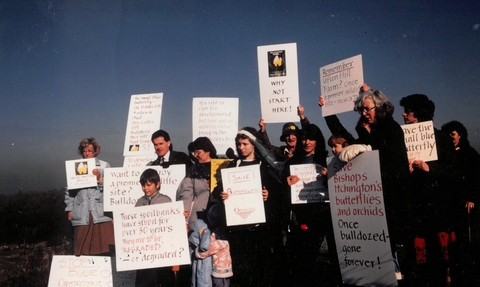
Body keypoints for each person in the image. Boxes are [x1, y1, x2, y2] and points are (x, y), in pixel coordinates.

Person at [337, 84, 411, 282]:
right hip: (377, 200)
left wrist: (368, 148)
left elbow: (392, 159)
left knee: (389, 250)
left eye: (367, 108)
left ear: (379, 107)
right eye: (361, 109)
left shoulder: (391, 128)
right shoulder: (376, 129)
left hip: (391, 200)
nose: (364, 113)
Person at [399, 94, 458, 286]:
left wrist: (429, 168)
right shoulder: (402, 139)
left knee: (439, 257)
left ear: (418, 113)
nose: (404, 114)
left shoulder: (441, 138)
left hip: (437, 205)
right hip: (414, 205)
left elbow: (453, 170)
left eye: (408, 111)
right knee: (418, 259)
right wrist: (403, 170)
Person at [212, 127, 279, 286]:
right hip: (238, 228)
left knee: (260, 268)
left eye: (244, 144)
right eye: (238, 144)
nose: (241, 148)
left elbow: (278, 191)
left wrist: (269, 195)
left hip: (260, 228)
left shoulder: (265, 166)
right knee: (241, 269)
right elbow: (217, 190)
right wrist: (223, 194)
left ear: (254, 145)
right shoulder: (232, 166)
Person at [283, 124, 340, 286]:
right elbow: (285, 193)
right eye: (304, 138)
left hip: (327, 214)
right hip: (304, 216)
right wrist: (286, 184)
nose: (307, 142)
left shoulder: (329, 161)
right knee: (306, 259)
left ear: (318, 140)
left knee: (336, 256)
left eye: (312, 138)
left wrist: (331, 177)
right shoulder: (291, 164)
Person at [441, 120, 480, 286]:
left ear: (460, 135)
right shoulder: (448, 153)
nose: (451, 138)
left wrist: (473, 198)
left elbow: (477, 177)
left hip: (467, 203)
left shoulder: (469, 153)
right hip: (453, 201)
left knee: (467, 237)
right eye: (448, 135)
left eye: (453, 134)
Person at [65, 137, 114, 256]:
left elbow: (112, 187)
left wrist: (99, 179)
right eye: (84, 150)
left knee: (105, 248)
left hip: (101, 211)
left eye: (90, 150)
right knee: (83, 249)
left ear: (95, 151)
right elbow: (69, 191)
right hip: (82, 211)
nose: (87, 153)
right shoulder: (75, 166)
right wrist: (70, 209)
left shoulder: (104, 165)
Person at [134, 168, 172, 287]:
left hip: (162, 251)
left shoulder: (166, 201)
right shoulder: (139, 202)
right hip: (144, 250)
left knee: (162, 279)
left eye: (149, 185)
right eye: (143, 185)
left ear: (158, 184)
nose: (145, 188)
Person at [177, 137, 217, 231]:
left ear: (208, 151)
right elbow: (186, 196)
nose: (195, 155)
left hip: (219, 216)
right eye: (194, 153)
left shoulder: (222, 166)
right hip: (198, 217)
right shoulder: (192, 171)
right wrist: (184, 220)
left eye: (198, 152)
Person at [196, 202, 233, 287]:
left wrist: (198, 252)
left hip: (219, 271)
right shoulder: (225, 234)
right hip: (226, 269)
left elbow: (210, 249)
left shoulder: (218, 237)